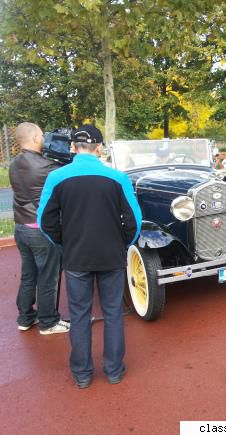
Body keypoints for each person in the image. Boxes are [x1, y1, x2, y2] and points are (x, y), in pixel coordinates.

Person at [38, 125, 142, 388]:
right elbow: (135, 222)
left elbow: (45, 221)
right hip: (111, 255)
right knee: (113, 314)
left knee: (80, 315)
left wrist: (65, 243)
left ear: (72, 147)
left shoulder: (57, 177)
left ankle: (83, 375)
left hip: (76, 257)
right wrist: (122, 244)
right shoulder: (118, 178)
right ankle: (114, 370)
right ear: (99, 148)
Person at [9, 122, 70, 335]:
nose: (45, 139)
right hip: (41, 231)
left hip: (21, 229)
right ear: (35, 138)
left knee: (29, 274)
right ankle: (48, 322)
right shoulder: (46, 166)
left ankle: (25, 318)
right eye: (42, 135)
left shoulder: (14, 163)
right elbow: (69, 173)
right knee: (48, 276)